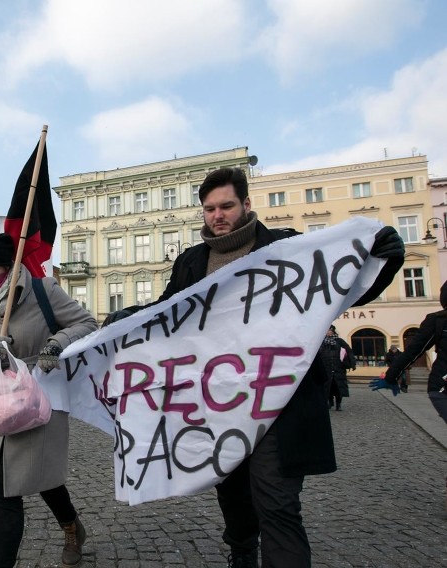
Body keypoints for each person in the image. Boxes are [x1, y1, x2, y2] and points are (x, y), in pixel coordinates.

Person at [104, 167, 404, 568]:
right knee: (234, 496)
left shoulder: (285, 247)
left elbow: (340, 290)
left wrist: (387, 259)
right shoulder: (193, 261)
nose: (217, 215)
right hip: (215, 406)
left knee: (278, 502)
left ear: (246, 204)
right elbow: (168, 314)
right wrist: (127, 317)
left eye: (226, 205)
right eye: (209, 209)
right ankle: (242, 550)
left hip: (280, 402)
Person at [0, 232, 98, 568]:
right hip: (2, 409)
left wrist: (55, 344)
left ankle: (69, 530)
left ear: (9, 266)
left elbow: (86, 323)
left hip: (42, 400)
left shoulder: (43, 291)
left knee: (44, 479)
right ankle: (68, 531)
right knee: (8, 490)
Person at [373, 281, 447, 423]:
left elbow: (413, 351)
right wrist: (391, 376)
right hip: (443, 387)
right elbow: (413, 351)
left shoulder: (439, 320)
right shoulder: (439, 321)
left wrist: (390, 377)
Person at [319, 325, 355, 411]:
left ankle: (338, 404)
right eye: (327, 330)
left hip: (339, 369)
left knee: (339, 387)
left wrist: (352, 363)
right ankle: (330, 402)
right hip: (326, 368)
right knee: (328, 387)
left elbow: (349, 351)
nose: (329, 332)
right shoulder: (322, 342)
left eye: (331, 330)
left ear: (333, 331)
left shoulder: (339, 341)